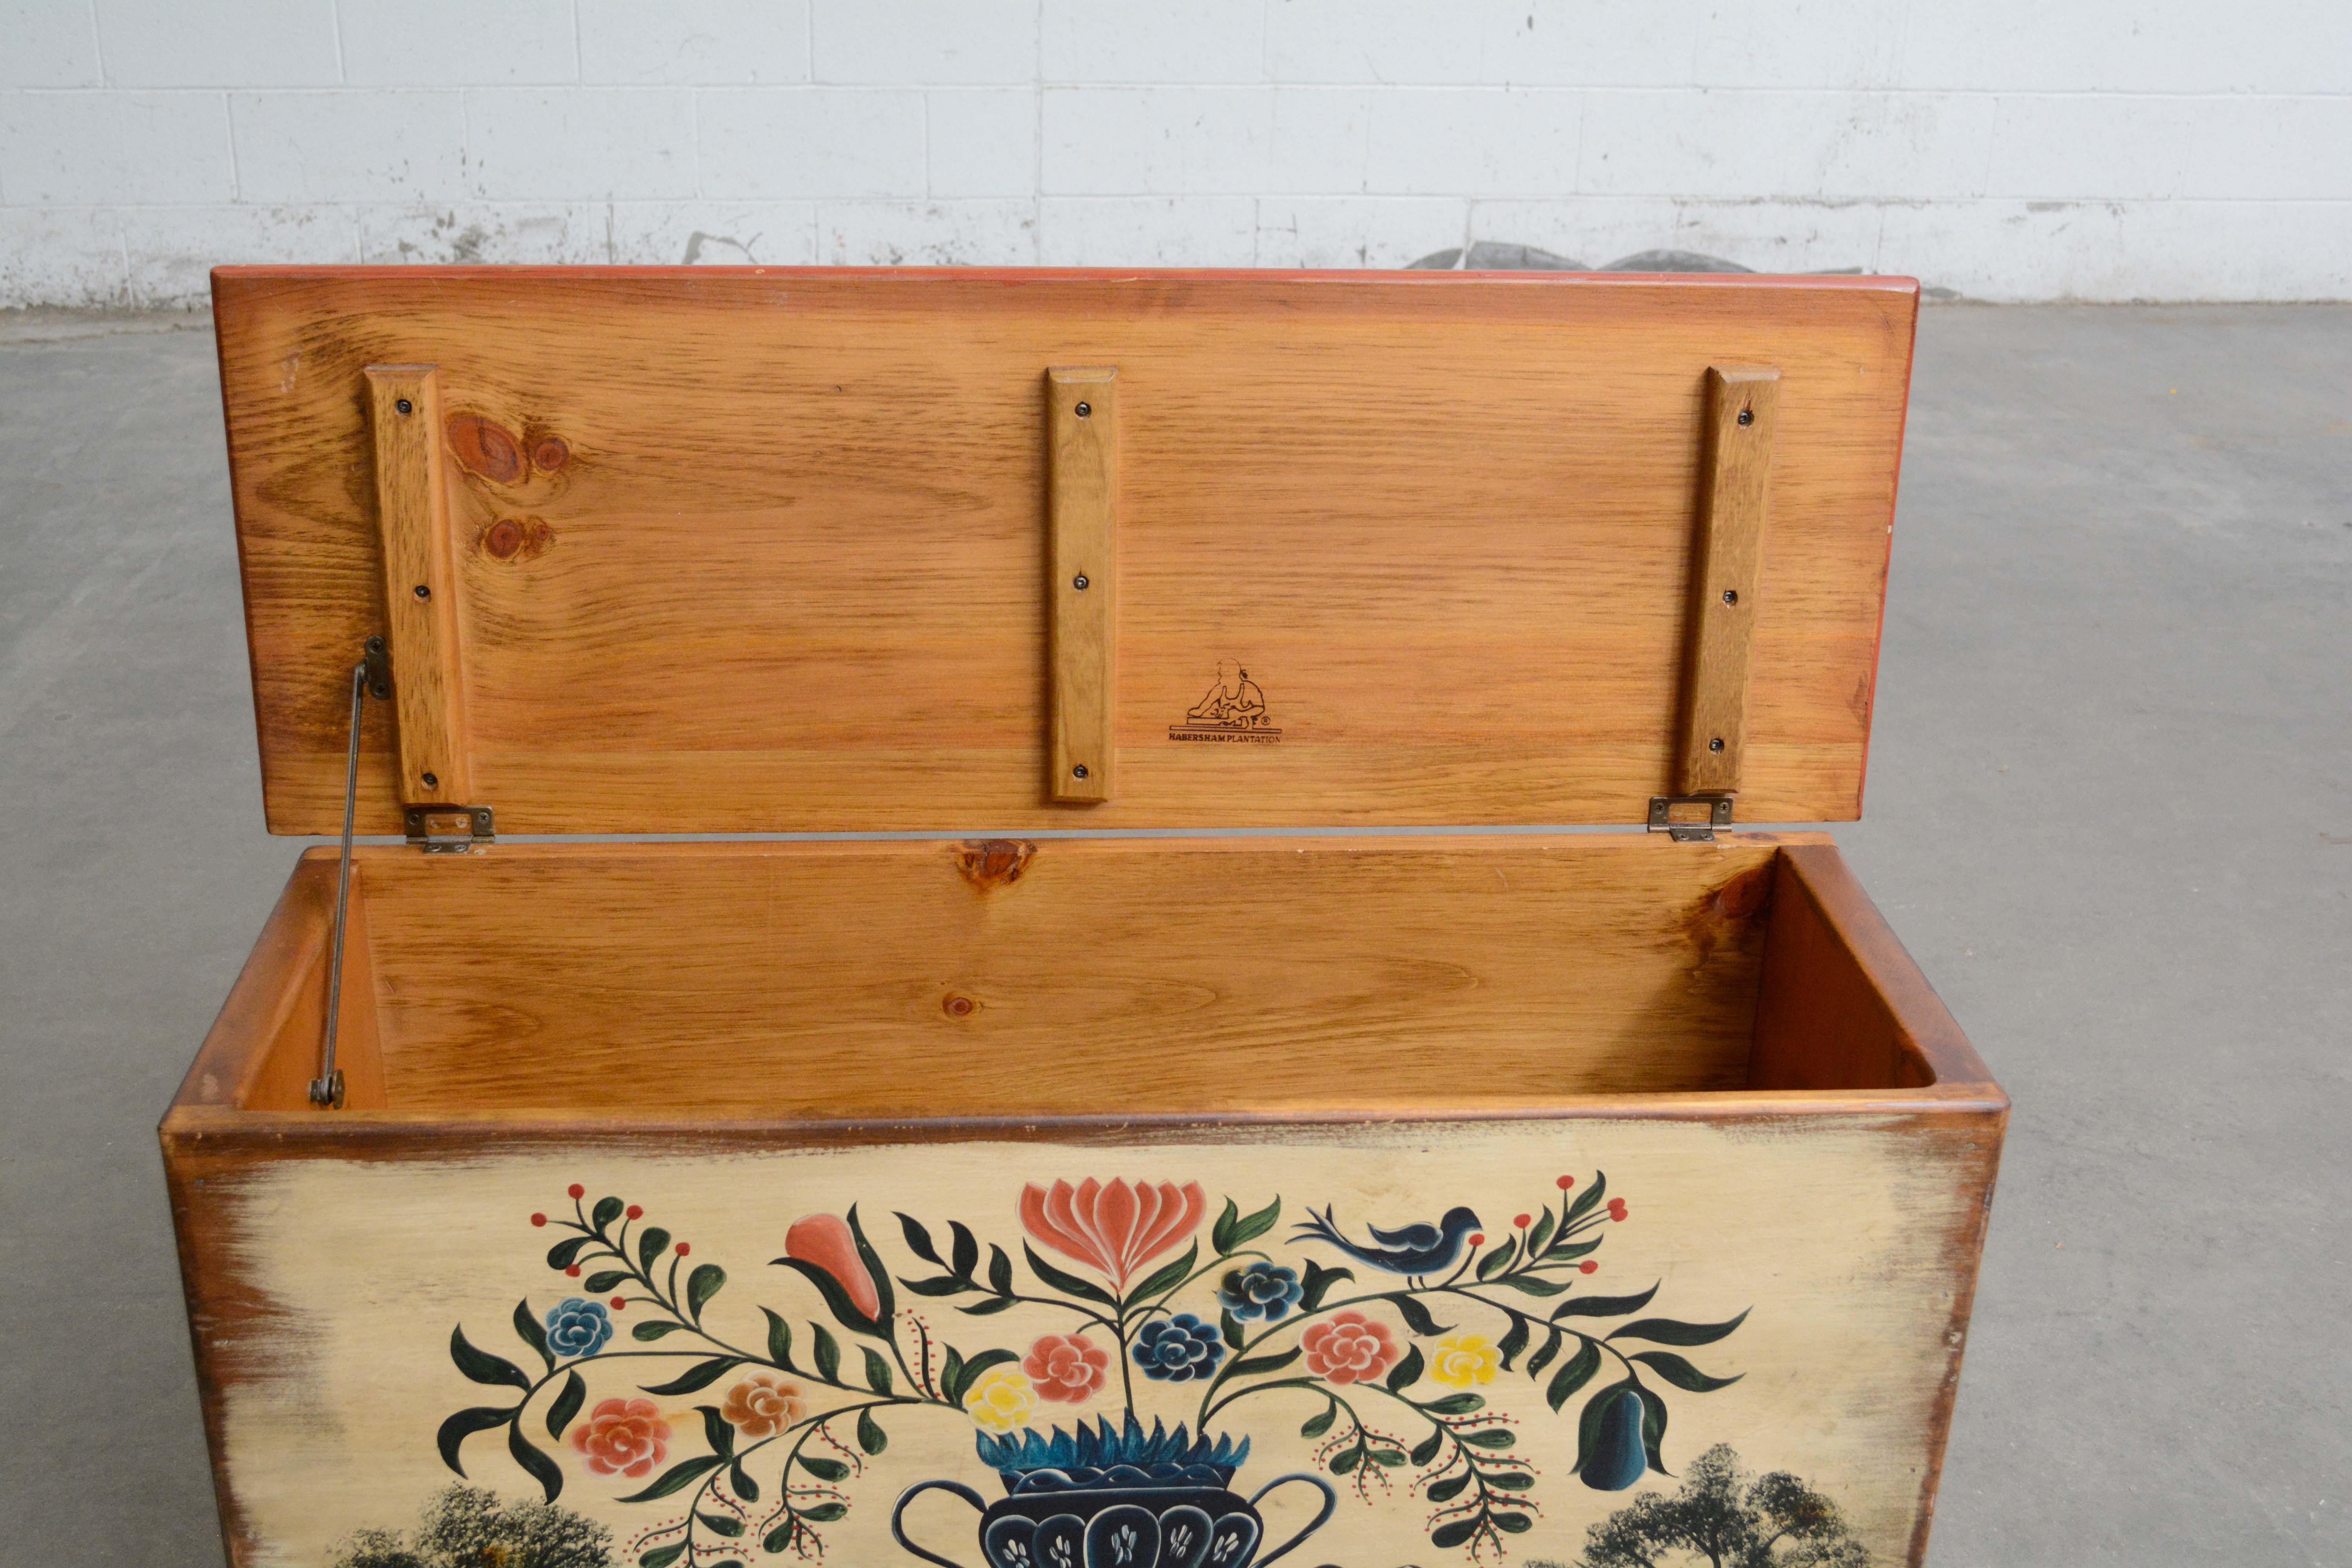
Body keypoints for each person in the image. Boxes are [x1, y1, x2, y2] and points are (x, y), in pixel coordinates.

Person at [1186, 660, 1267, 727]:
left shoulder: (1249, 687)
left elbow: (1260, 708)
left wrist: (1241, 714)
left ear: (1231, 673)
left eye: (1222, 673)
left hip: (1244, 728)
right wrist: (1199, 712)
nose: (1220, 675)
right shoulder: (1221, 688)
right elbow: (1208, 702)